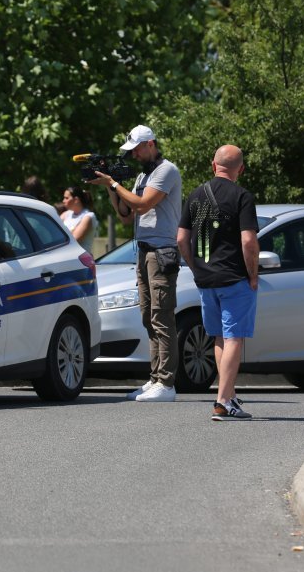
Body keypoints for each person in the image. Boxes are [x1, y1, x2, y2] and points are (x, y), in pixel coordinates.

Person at [88, 124, 181, 402]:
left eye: (137, 149)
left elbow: (143, 205)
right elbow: (127, 215)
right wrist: (111, 189)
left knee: (162, 317)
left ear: (150, 144)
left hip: (161, 251)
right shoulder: (143, 175)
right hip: (143, 251)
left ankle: (167, 382)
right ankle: (154, 379)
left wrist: (115, 183)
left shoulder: (167, 170)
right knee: (148, 316)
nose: (134, 155)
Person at [177, 145, 259, 421]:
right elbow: (248, 240)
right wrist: (253, 274)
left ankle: (229, 394)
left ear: (213, 165)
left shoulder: (196, 194)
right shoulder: (242, 196)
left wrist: (195, 266)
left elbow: (180, 239)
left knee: (220, 337)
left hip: (205, 280)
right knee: (235, 336)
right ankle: (223, 401)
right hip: (234, 277)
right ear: (241, 169)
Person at [60, 185, 99, 253]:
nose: (63, 201)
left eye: (66, 198)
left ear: (76, 200)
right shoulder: (65, 214)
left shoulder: (88, 217)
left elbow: (74, 240)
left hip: (79, 260)